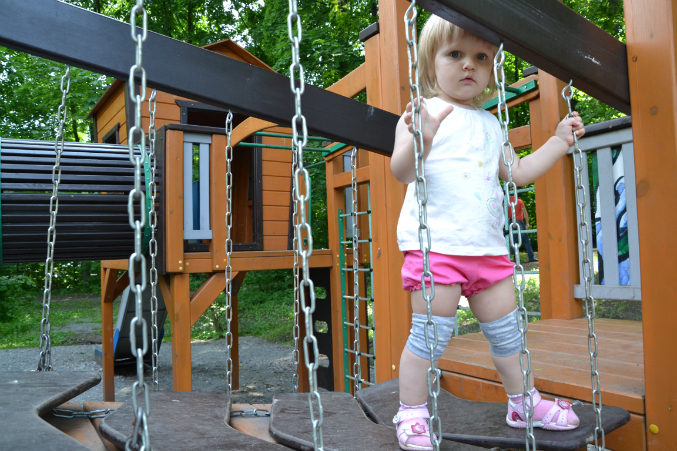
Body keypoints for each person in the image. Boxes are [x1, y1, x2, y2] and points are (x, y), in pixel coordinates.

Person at [390, 15, 584, 450]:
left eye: (481, 57)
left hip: (488, 251)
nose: (468, 65)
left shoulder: (492, 124)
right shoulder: (421, 114)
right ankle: (413, 411)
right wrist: (421, 139)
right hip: (436, 249)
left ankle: (523, 403)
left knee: (509, 336)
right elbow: (401, 171)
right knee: (429, 337)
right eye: (455, 54)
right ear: (431, 62)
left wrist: (558, 141)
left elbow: (517, 173)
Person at [507, 196, 538, 262]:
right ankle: (531, 257)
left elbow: (503, 214)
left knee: (513, 241)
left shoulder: (507, 202)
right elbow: (525, 212)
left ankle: (516, 259)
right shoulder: (519, 201)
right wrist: (527, 223)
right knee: (526, 240)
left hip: (511, 222)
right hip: (519, 222)